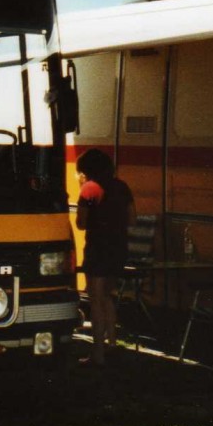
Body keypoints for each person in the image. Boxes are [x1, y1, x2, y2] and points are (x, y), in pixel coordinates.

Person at [75, 148, 135, 367]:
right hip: (119, 248)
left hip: (98, 249)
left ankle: (97, 353)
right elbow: (132, 219)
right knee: (107, 296)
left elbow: (81, 223)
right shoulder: (122, 186)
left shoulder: (89, 189)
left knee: (96, 300)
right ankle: (112, 344)